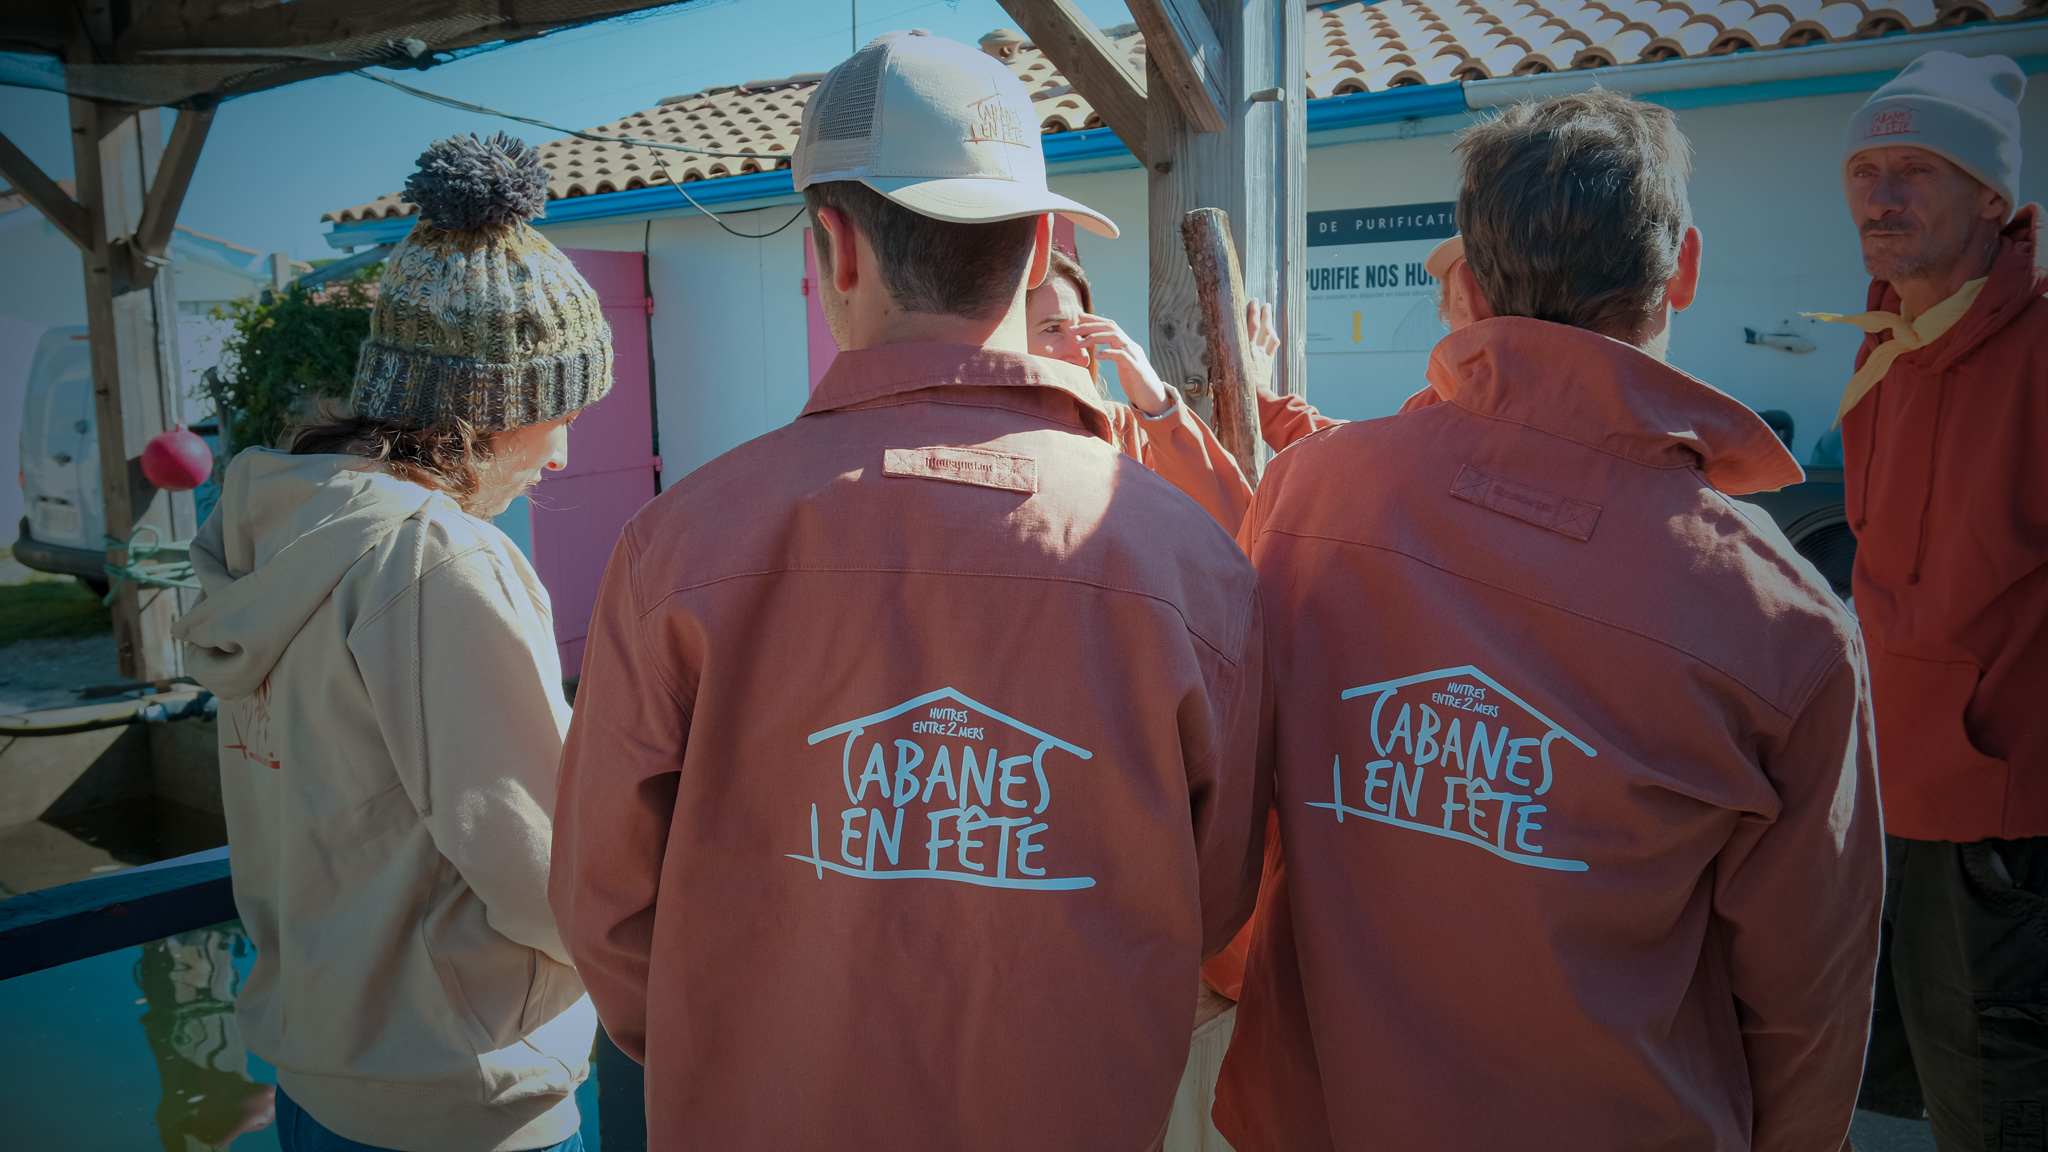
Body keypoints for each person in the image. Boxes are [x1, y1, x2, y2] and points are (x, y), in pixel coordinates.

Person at [550, 31, 1267, 1149]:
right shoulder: (1187, 559)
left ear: (834, 246)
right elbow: (1211, 899)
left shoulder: (676, 546)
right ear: (1039, 250)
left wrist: (743, 1033)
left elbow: (603, 906)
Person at [1212, 90, 1884, 1152]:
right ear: (1683, 269)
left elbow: (1231, 835)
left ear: (1466, 283)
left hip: (1325, 1111)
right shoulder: (1781, 620)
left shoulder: (1306, 500)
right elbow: (1809, 997)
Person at [174, 134, 603, 1152]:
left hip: (318, 1074)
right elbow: (546, 867)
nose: (565, 451)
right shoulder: (440, 563)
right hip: (462, 1094)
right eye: (559, 411)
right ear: (493, 408)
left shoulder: (277, 526)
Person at [1806, 51, 2048, 1149]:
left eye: (1916, 169)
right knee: (1902, 1106)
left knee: (1994, 1115)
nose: (1881, 195)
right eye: (1866, 170)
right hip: (1887, 813)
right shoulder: (1882, 352)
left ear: (1991, 197)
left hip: (2002, 842)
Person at [1026, 247, 1264, 528]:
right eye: (1053, 329)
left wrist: (1159, 405)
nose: (1082, 355)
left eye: (1083, 332)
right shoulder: (980, 432)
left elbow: (1232, 524)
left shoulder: (1124, 429)